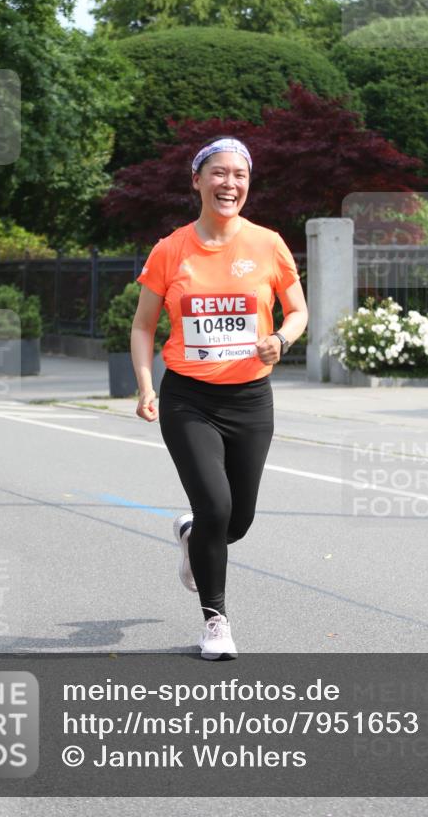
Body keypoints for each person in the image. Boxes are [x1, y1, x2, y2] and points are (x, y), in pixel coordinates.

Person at [131, 137, 308, 660]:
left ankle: (194, 536)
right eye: (218, 173)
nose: (229, 183)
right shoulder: (170, 249)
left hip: (250, 399)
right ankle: (216, 621)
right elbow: (142, 326)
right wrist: (145, 385)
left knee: (237, 521)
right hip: (188, 399)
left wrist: (281, 340)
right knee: (215, 504)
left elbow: (298, 311)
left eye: (239, 175)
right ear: (197, 181)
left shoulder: (268, 244)